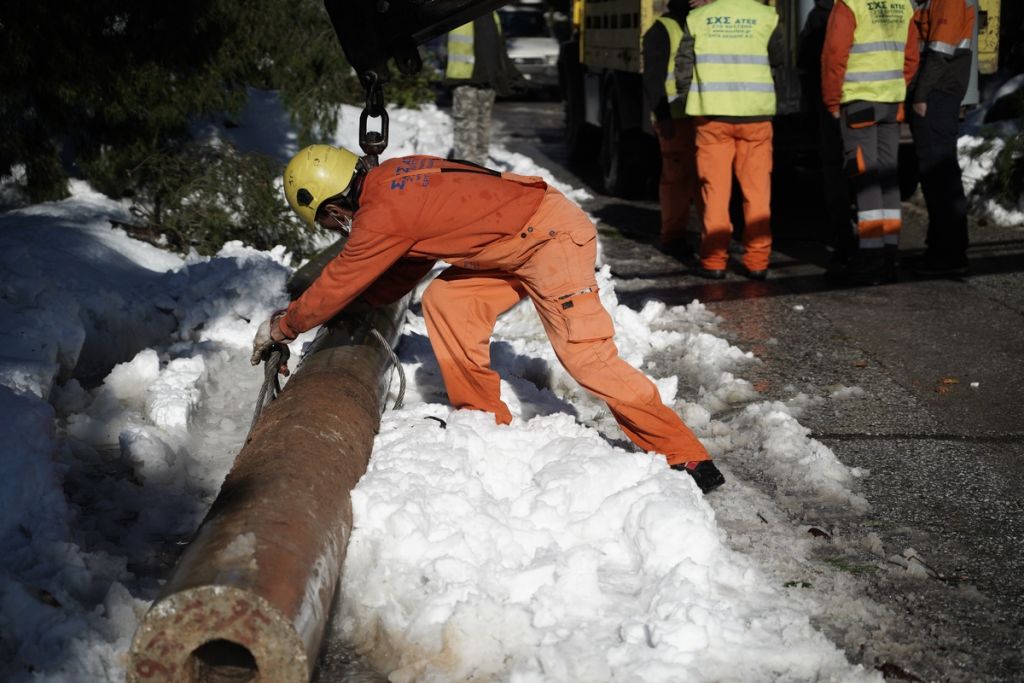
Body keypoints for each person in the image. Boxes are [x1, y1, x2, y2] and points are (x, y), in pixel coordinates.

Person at [251, 145, 726, 494]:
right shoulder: (393, 178)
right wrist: (360, 304)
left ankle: (686, 455)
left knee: (586, 358)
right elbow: (414, 258)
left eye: (332, 222)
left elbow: (339, 278)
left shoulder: (383, 214)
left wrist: (284, 326)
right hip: (514, 242)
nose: (339, 229)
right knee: (446, 302)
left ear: (333, 206)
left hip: (550, 240)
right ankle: (483, 419)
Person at [675, 0, 785, 281]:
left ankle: (714, 261)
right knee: (757, 192)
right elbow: (778, 59)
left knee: (715, 193)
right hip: (755, 116)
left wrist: (689, 99)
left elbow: (683, 65)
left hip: (712, 117)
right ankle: (758, 260)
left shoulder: (699, 17)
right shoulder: (767, 16)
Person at [822, 0, 919, 286]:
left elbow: (834, 55)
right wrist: (896, 86)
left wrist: (831, 100)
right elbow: (911, 57)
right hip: (891, 103)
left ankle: (871, 258)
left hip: (859, 103)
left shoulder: (850, 5)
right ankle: (889, 253)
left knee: (866, 178)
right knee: (888, 176)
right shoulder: (904, 4)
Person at [907, 0, 975, 277]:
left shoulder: (949, 1)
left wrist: (920, 95)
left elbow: (939, 52)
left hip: (938, 91)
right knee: (937, 174)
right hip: (940, 90)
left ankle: (948, 253)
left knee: (939, 173)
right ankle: (940, 249)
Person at [641, 0, 704, 260]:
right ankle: (673, 237)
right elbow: (653, 77)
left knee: (702, 178)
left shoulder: (701, 23)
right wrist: (663, 116)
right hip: (675, 118)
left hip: (699, 114)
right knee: (677, 181)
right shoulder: (662, 29)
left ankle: (707, 235)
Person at [797, 0, 856, 268]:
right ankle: (876, 242)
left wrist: (815, 102)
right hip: (870, 101)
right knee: (866, 168)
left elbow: (807, 62)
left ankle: (844, 239)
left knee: (835, 168)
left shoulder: (821, 15)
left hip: (832, 104)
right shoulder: (876, 9)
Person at [444, 12, 525, 166]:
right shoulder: (460, 8)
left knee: (483, 130)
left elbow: (500, 49)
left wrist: (513, 75)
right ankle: (465, 174)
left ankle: (480, 171)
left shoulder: (492, 13)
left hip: (487, 83)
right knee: (465, 130)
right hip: (465, 80)